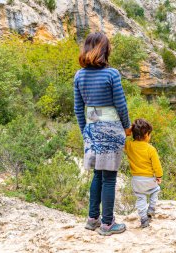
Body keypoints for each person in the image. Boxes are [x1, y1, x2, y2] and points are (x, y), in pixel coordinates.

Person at [74, 32, 132, 236]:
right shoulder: (111, 74)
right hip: (111, 130)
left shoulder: (79, 75)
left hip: (91, 129)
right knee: (109, 177)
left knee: (98, 174)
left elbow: (78, 108)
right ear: (105, 50)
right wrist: (127, 127)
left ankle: (92, 219)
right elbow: (121, 105)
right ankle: (107, 224)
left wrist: (85, 132)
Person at [124, 119, 163, 228]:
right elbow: (157, 165)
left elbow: (120, 139)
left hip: (136, 180)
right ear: (146, 135)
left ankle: (143, 219)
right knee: (156, 190)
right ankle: (151, 208)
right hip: (149, 179)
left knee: (140, 198)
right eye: (149, 134)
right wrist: (159, 176)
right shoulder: (150, 149)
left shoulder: (129, 145)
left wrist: (129, 131)